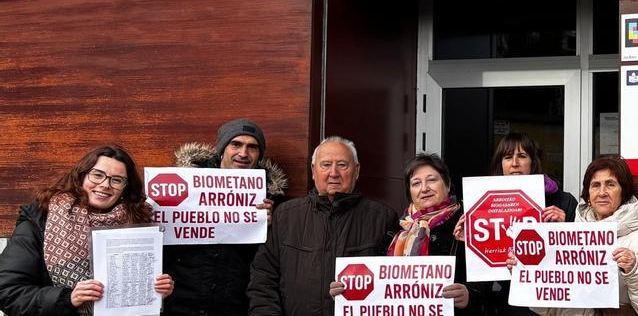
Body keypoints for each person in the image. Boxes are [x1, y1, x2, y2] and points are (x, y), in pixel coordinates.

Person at [0, 145, 173, 316]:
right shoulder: (40, 222)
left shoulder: (139, 226)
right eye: (97, 175)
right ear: (81, 177)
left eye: (117, 180)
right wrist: (69, 298)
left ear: (124, 189)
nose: (105, 185)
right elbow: (8, 292)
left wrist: (157, 293)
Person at [249, 136, 399, 316]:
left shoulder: (383, 219)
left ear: (356, 170)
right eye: (326, 165)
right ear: (314, 170)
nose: (333, 173)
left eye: (342, 165)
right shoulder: (285, 215)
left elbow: (395, 288)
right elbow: (263, 279)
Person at [510, 156, 638, 316]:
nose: (602, 193)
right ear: (587, 195)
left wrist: (635, 269)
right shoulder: (570, 240)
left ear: (624, 192)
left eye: (610, 184)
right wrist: (528, 271)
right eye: (595, 185)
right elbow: (550, 309)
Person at [331, 153, 486, 314]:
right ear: (410, 192)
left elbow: (487, 281)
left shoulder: (469, 223)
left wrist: (470, 295)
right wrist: (347, 289)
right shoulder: (396, 230)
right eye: (416, 183)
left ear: (447, 185)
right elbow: (375, 284)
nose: (424, 188)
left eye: (432, 180)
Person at [163, 118, 288, 316]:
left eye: (252, 147)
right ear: (222, 148)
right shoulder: (185, 185)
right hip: (181, 303)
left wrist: (268, 228)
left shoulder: (271, 200)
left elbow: (270, 264)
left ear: (259, 155)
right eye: (236, 144)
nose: (243, 153)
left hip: (235, 304)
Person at [454, 132, 578, 316]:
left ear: (533, 162)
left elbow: (583, 258)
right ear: (500, 164)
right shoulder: (485, 205)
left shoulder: (562, 201)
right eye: (507, 157)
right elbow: (482, 277)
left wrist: (566, 228)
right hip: (511, 304)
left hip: (556, 301)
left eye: (522, 156)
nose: (514, 163)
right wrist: (469, 242)